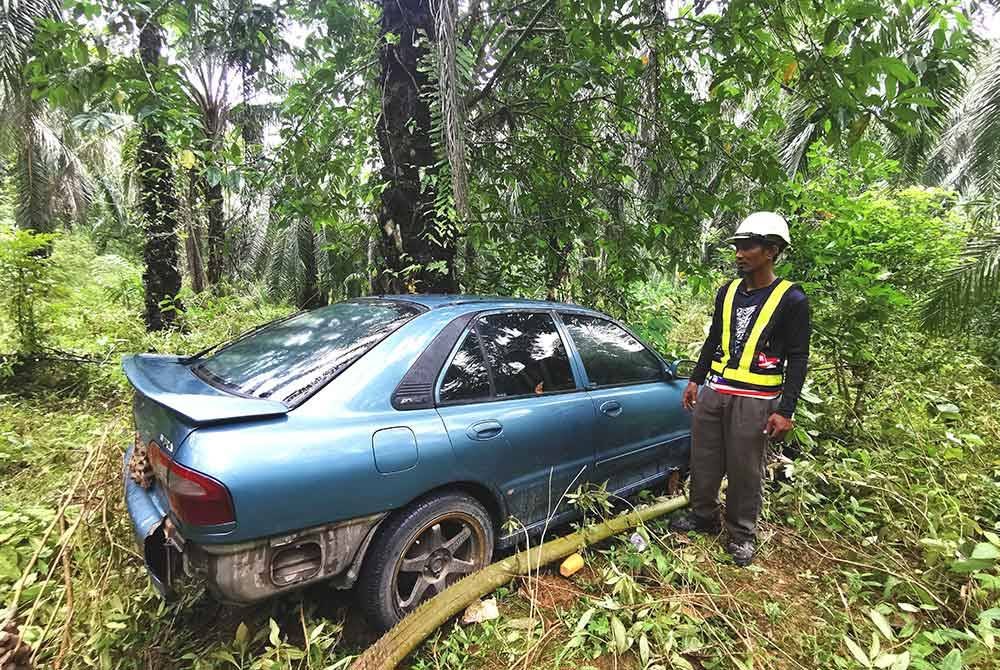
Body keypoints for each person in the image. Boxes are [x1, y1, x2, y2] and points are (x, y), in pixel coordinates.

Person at [670, 211, 810, 567]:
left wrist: (786, 409)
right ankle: (703, 515)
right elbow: (714, 338)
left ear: (772, 250)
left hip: (756, 399)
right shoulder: (728, 292)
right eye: (737, 246)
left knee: (745, 468)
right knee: (704, 458)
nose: (739, 253)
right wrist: (695, 380)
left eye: (747, 247)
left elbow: (798, 357)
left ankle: (741, 533)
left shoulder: (791, 299)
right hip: (716, 390)